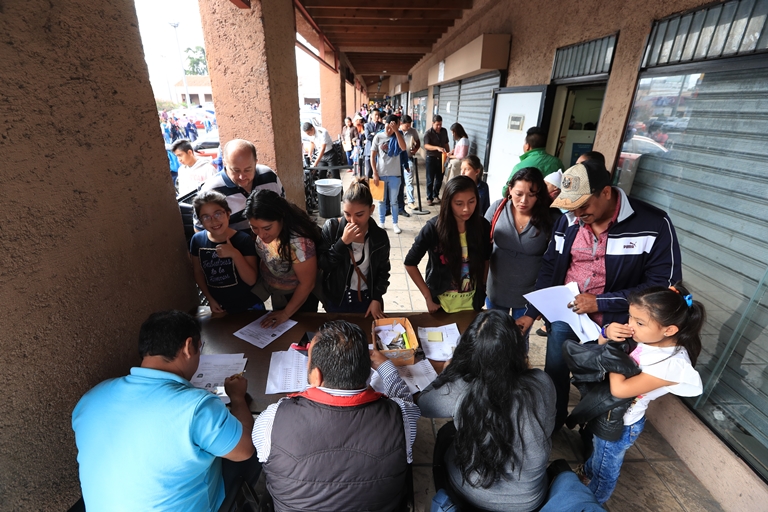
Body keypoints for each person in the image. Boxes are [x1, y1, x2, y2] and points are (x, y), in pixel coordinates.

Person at [515, 159, 682, 430]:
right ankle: (552, 425)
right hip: (566, 318)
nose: (577, 213)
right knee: (554, 375)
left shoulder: (653, 224)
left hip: (617, 326)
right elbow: (550, 267)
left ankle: (592, 441)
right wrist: (531, 313)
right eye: (571, 206)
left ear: (606, 192)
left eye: (583, 205)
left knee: (602, 388)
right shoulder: (568, 220)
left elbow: (664, 286)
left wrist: (600, 301)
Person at [72, 311, 258, 511]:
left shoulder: (91, 398)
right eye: (200, 348)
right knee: (257, 445)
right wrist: (237, 398)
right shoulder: (195, 407)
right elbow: (245, 450)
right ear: (188, 347)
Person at [251, 320, 419, 511]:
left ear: (317, 376)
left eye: (309, 358)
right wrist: (386, 368)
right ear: (367, 371)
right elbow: (406, 402)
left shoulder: (271, 420)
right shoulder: (401, 417)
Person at [576, 284, 704, 503]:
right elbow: (600, 345)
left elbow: (620, 389)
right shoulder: (649, 338)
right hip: (608, 412)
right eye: (630, 318)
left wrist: (614, 350)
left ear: (670, 330)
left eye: (639, 322)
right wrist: (607, 333)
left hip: (622, 424)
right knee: (599, 453)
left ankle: (590, 503)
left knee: (606, 469)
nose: (630, 326)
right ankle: (587, 473)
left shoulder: (672, 365)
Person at [419, 310, 556, 511]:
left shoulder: (461, 389)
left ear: (468, 351)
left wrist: (450, 370)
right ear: (517, 348)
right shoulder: (542, 382)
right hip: (529, 500)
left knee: (447, 433)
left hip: (473, 496)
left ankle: (447, 487)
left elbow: (423, 403)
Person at [404, 176, 491, 313]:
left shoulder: (483, 226)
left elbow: (486, 259)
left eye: (471, 202)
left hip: (472, 304)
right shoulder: (433, 228)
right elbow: (410, 263)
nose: (466, 209)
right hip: (441, 304)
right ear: (448, 202)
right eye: (459, 203)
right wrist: (428, 297)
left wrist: (483, 286)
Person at [485, 168, 559, 327]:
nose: (524, 201)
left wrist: (542, 301)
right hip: (496, 290)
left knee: (519, 341)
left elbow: (554, 263)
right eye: (518, 194)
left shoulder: (550, 218)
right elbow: (480, 243)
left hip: (528, 297)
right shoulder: (498, 209)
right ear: (510, 190)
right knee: (494, 340)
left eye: (531, 195)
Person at [245, 189, 322, 327]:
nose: (261, 234)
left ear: (281, 217)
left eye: (267, 228)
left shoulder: (298, 243)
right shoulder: (265, 231)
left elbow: (307, 283)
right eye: (254, 228)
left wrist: (286, 313)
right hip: (277, 292)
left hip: (297, 298)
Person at [319, 178, 390, 318]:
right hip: (338, 297)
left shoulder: (379, 236)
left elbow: (383, 270)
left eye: (359, 215)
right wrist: (342, 242)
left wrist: (376, 298)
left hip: (366, 298)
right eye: (347, 214)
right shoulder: (332, 228)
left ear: (371, 210)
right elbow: (323, 264)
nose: (352, 221)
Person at [190, 191, 262, 314]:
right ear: (200, 221)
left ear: (228, 214)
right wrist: (210, 299)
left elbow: (251, 280)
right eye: (206, 217)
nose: (213, 221)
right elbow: (198, 272)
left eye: (218, 214)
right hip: (219, 305)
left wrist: (235, 254)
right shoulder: (197, 240)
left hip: (249, 304)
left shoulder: (243, 240)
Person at [196, 139, 285, 232]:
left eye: (248, 170)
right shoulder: (210, 190)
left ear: (256, 162)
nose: (242, 177)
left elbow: (283, 210)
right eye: (236, 170)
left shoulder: (269, 176)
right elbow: (199, 229)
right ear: (225, 164)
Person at [501, 126, 564, 197]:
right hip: (550, 206)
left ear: (527, 146)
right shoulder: (557, 162)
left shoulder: (520, 167)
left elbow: (505, 192)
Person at [371, 114, 407, 234]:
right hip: (381, 174)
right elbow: (372, 156)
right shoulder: (378, 137)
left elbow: (403, 147)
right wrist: (375, 173)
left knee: (394, 201)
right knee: (381, 201)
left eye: (392, 127)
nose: (388, 130)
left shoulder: (398, 136)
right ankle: (381, 222)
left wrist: (396, 132)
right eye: (387, 126)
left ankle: (395, 224)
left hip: (395, 175)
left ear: (396, 125)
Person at [423, 115, 451, 205]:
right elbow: (426, 146)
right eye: (437, 125)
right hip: (431, 158)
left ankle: (436, 195)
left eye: (440, 124)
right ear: (433, 123)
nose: (439, 127)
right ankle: (429, 197)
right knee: (430, 179)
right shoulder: (428, 133)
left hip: (441, 158)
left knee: (440, 178)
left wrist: (449, 153)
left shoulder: (444, 131)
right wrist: (437, 148)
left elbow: (446, 143)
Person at [400, 114, 421, 206]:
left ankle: (411, 201)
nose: (408, 127)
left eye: (410, 125)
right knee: (399, 182)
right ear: (401, 123)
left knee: (409, 180)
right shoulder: (396, 131)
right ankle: (399, 200)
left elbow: (418, 142)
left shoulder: (413, 131)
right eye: (407, 125)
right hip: (397, 160)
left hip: (408, 158)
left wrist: (415, 149)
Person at [363, 109, 385, 178]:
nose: (377, 116)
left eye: (378, 115)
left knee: (379, 171)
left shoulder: (382, 125)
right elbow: (368, 136)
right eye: (375, 115)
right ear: (371, 116)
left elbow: (383, 136)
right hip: (369, 151)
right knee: (369, 171)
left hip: (379, 152)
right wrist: (377, 135)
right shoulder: (367, 125)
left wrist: (374, 134)